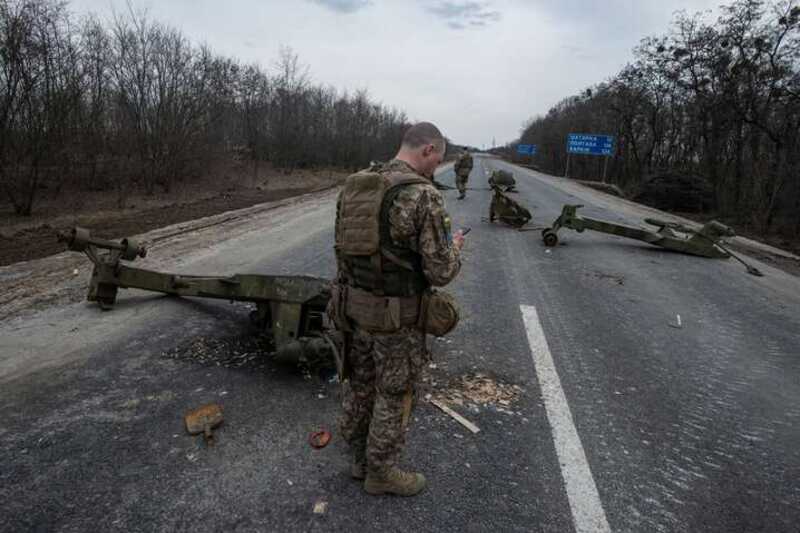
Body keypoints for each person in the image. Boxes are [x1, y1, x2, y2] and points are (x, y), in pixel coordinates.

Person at [330, 122, 465, 496]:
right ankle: (382, 472)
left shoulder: (355, 184)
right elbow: (440, 271)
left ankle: (359, 460)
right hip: (397, 319)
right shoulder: (423, 196)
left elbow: (341, 251)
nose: (436, 168)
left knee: (359, 384)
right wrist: (455, 249)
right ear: (427, 150)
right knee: (394, 392)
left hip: (354, 309)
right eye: (437, 158)